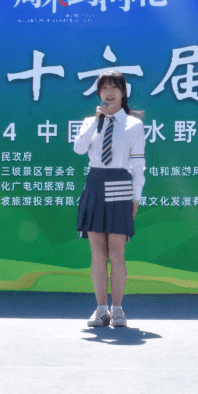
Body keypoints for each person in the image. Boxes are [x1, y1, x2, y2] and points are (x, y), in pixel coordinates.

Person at [73, 71, 145, 328]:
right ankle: (101, 309)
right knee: (97, 254)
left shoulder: (134, 125)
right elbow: (79, 149)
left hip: (120, 185)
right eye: (104, 88)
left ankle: (118, 309)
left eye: (114, 87)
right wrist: (96, 122)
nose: (109, 92)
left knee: (116, 253)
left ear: (123, 93)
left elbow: (138, 164)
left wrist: (136, 197)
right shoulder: (89, 122)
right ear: (99, 93)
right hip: (95, 183)